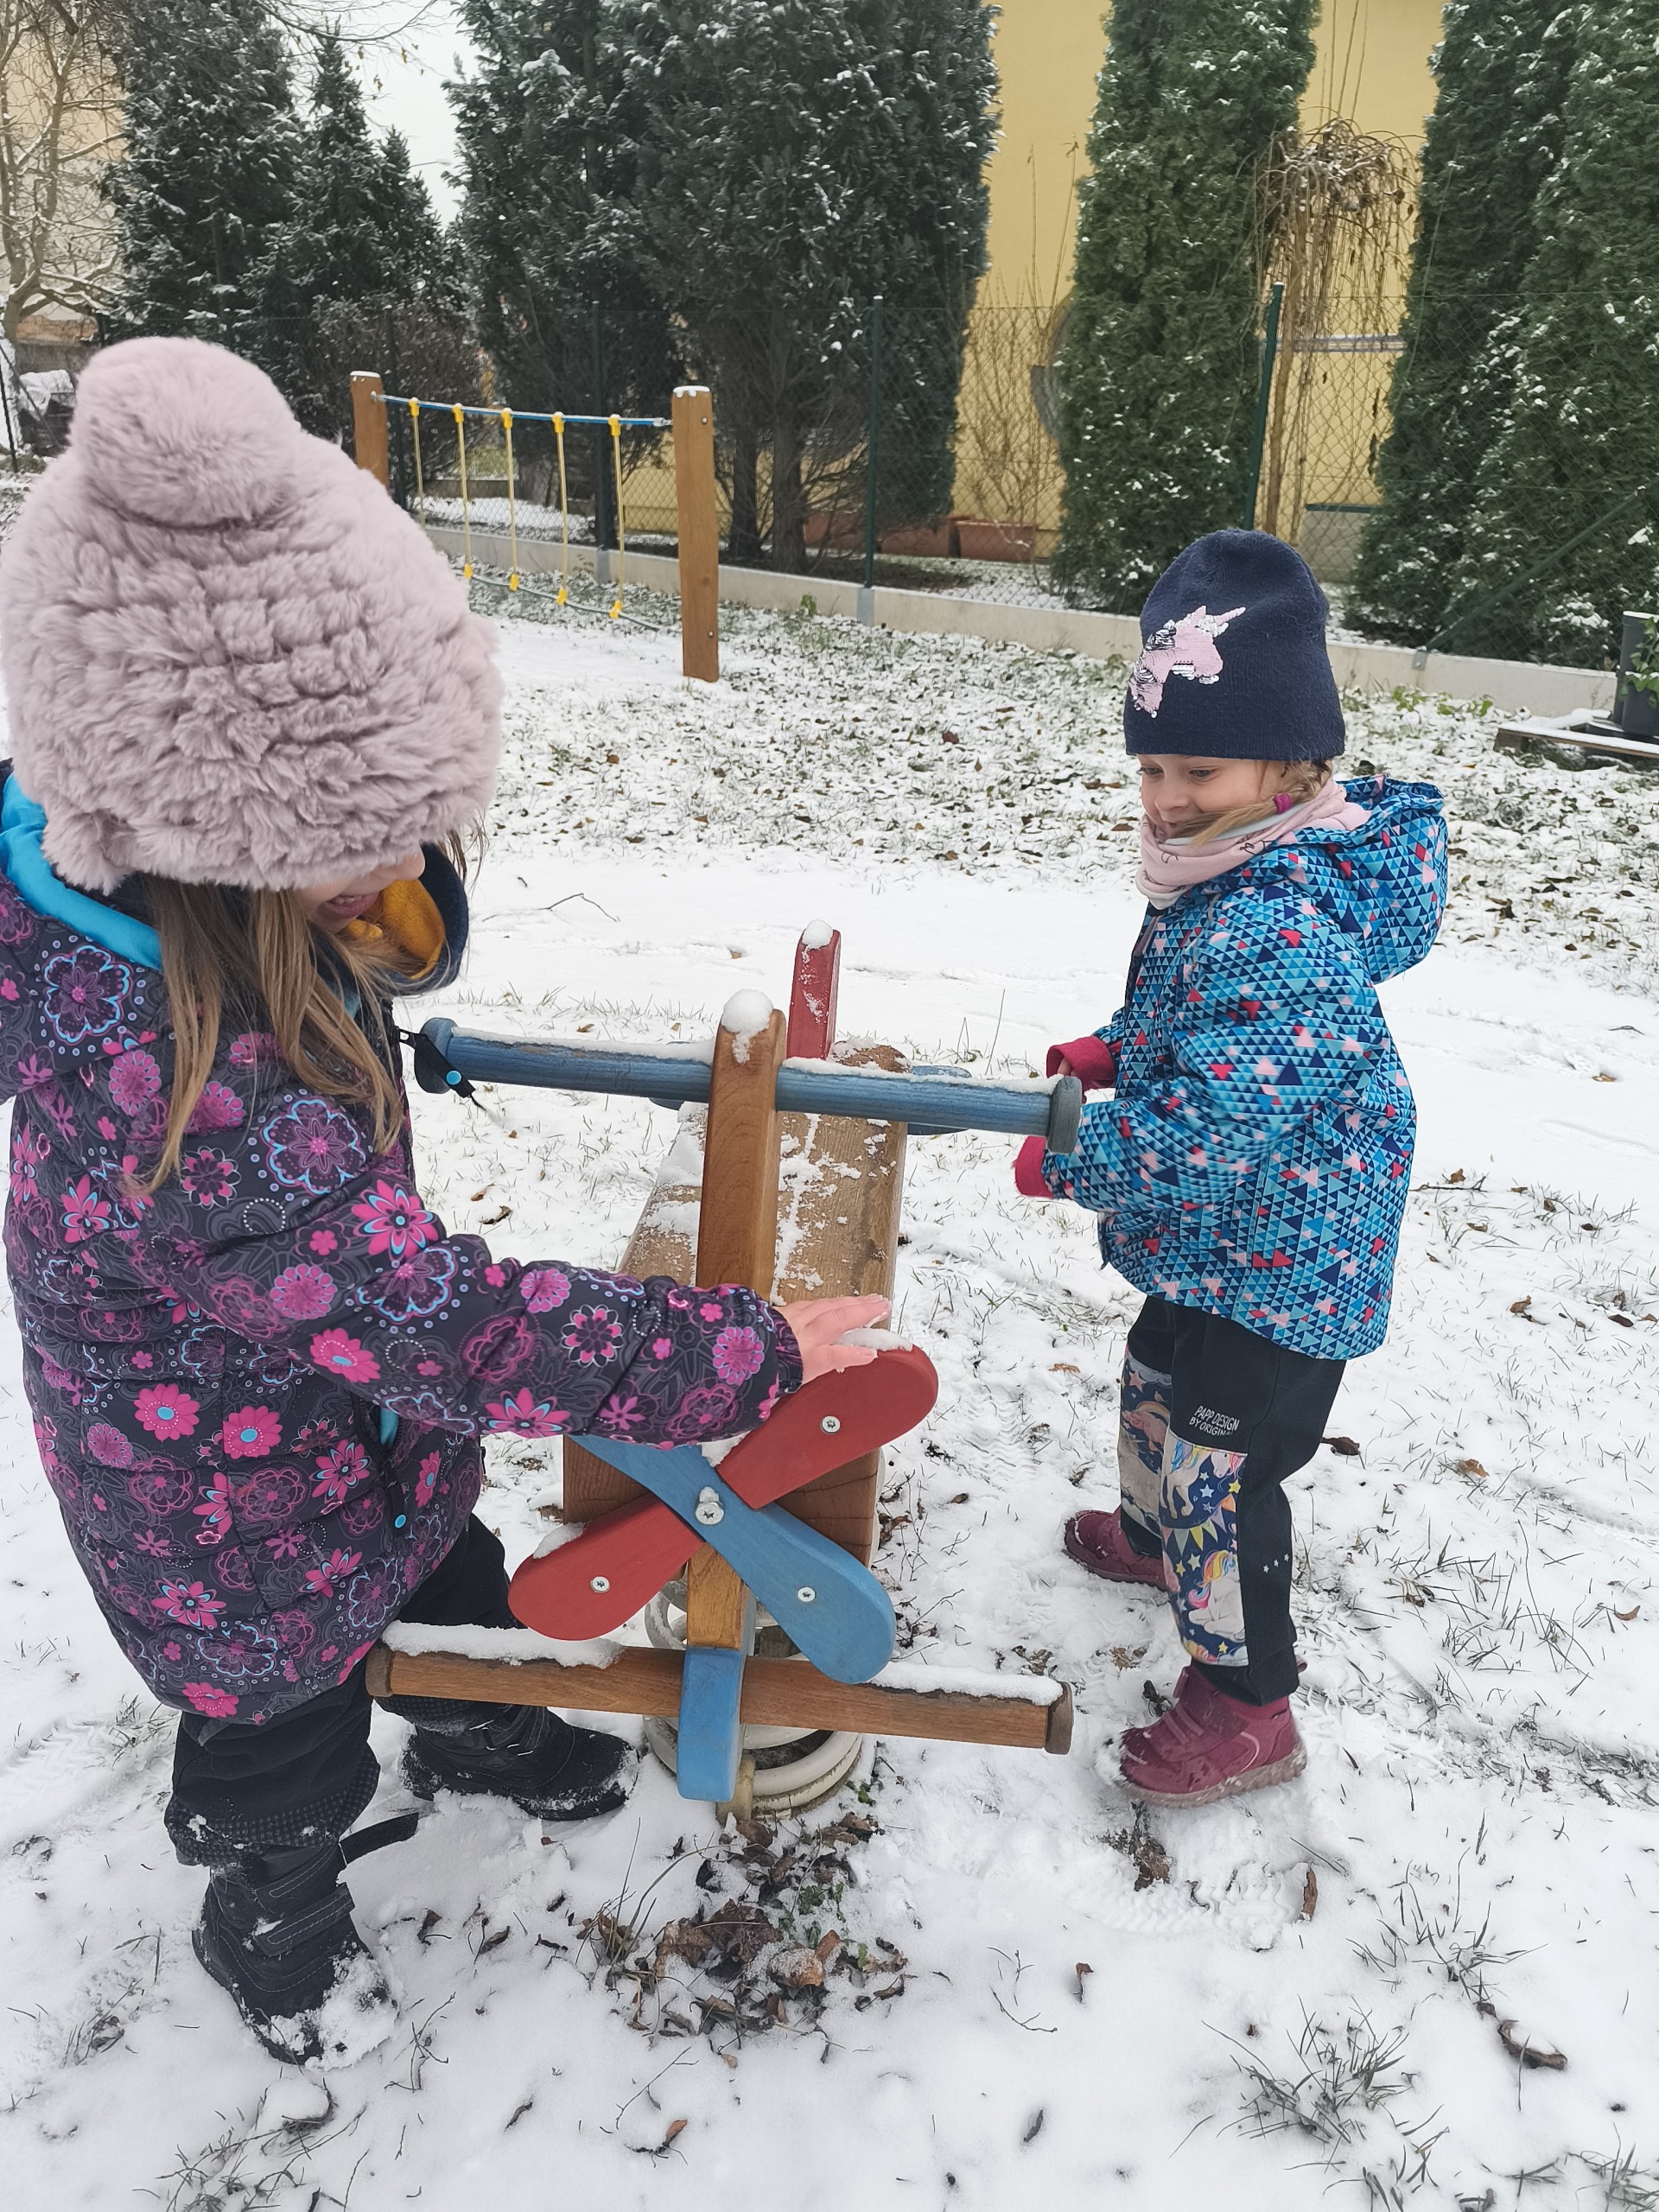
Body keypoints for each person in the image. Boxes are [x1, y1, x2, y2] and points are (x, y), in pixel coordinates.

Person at [0, 337, 883, 2065]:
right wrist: (736, 1351)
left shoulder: (176, 901)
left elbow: (380, 1302)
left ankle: (477, 1722)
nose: (407, 869)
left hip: (345, 1436)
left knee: (447, 1571)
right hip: (226, 1528)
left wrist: (383, 903)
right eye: (367, 840)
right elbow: (440, 1323)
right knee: (288, 1733)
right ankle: (269, 1899)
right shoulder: (182, 1090)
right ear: (219, 839)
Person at [1015, 530, 1446, 1809]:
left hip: (1289, 1262)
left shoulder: (1277, 917)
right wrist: (1118, 1047)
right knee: (1157, 1373)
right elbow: (1209, 1027)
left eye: (1197, 768)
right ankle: (1157, 1541)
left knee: (1223, 1470)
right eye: (1151, 766)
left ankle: (1250, 1707)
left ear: (1291, 767)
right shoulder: (1227, 870)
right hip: (1228, 1237)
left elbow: (1207, 1132)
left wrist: (1075, 1156)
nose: (1165, 797)